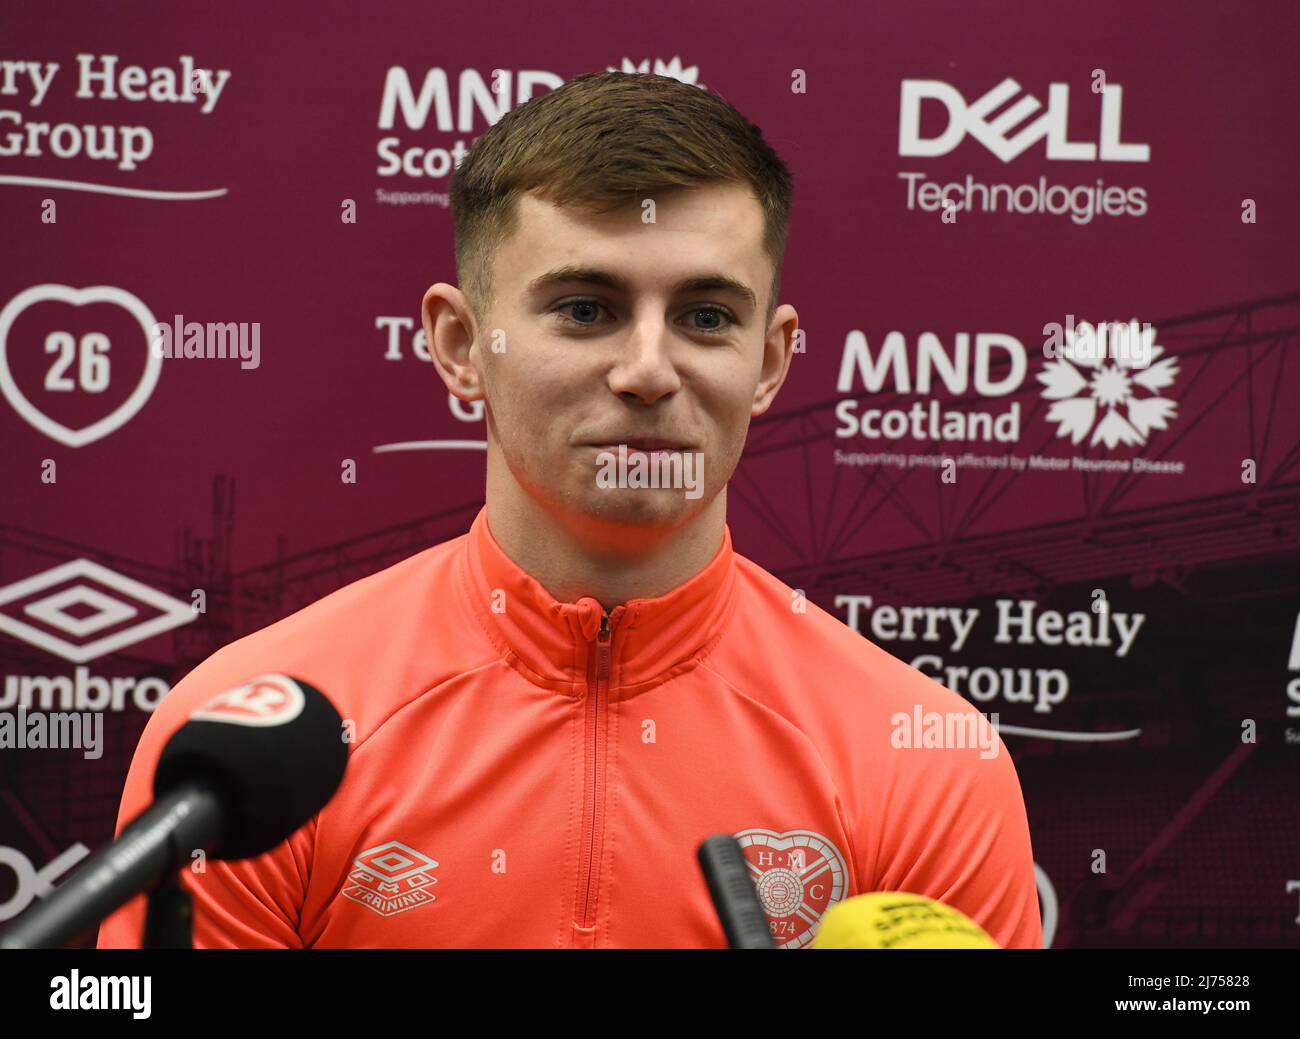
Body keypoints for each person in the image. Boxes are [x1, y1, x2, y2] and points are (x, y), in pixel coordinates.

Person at [98, 70, 1042, 949]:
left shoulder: (923, 759)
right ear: (461, 344)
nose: (646, 370)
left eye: (707, 316)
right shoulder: (246, 749)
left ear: (771, 360)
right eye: (586, 308)